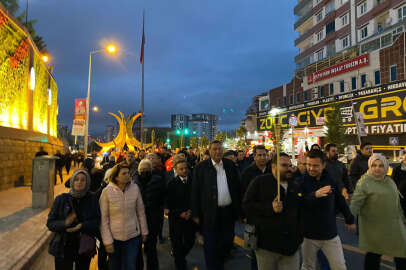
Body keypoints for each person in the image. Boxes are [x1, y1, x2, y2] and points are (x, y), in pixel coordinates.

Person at [243, 152, 302, 270]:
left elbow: (300, 211)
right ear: (274, 167)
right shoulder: (260, 182)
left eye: (290, 165)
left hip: (291, 247)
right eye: (284, 166)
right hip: (267, 246)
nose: (288, 169)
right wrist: (270, 208)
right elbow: (247, 206)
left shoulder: (294, 185)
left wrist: (299, 236)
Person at [300, 150, 355, 270]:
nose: (311, 168)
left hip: (330, 235)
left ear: (323, 165)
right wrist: (314, 195)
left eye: (315, 165)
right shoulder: (301, 181)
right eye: (308, 165)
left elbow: (340, 202)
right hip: (308, 235)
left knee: (339, 266)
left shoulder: (330, 180)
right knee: (308, 266)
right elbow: (298, 202)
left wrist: (349, 219)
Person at [350, 154, 406, 270]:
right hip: (374, 227)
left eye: (381, 165)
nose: (377, 168)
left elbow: (397, 202)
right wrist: (349, 218)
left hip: (394, 226)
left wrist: (403, 220)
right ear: (370, 166)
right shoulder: (364, 182)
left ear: (385, 167)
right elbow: (355, 203)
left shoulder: (389, 181)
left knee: (401, 253)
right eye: (374, 165)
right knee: (373, 255)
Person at [191, 140, 241, 270]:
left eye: (220, 149)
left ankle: (220, 263)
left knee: (227, 242)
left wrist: (239, 210)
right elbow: (195, 192)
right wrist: (195, 214)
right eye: (214, 149)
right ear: (209, 151)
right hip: (209, 214)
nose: (218, 151)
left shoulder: (230, 165)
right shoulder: (201, 168)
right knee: (211, 246)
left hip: (228, 213)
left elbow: (237, 188)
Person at [47, 169, 100, 270]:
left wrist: (82, 226)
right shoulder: (61, 199)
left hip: (84, 247)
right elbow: (50, 223)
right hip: (63, 246)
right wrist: (65, 223)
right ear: (72, 181)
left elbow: (97, 222)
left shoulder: (92, 199)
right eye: (76, 179)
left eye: (83, 180)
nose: (79, 182)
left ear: (87, 182)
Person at [99, 163, 148, 270]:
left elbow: (140, 212)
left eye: (128, 173)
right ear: (116, 176)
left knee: (130, 265)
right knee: (114, 266)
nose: (127, 175)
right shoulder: (106, 192)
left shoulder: (135, 188)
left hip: (133, 236)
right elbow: (104, 219)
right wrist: (107, 241)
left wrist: (144, 232)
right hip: (114, 237)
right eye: (124, 173)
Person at [134, 159, 167, 270]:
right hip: (137, 221)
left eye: (146, 169)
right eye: (142, 170)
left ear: (151, 170)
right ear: (138, 171)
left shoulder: (158, 181)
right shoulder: (133, 182)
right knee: (138, 250)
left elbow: (163, 197)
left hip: (153, 219)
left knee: (151, 248)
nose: (144, 171)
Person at [167, 159, 196, 270]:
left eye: (185, 168)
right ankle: (179, 263)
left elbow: (196, 198)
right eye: (181, 169)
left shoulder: (193, 181)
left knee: (190, 240)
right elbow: (170, 202)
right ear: (176, 170)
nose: (184, 170)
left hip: (190, 217)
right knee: (177, 242)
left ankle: (179, 256)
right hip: (176, 219)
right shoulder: (172, 184)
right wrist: (180, 213)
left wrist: (191, 211)